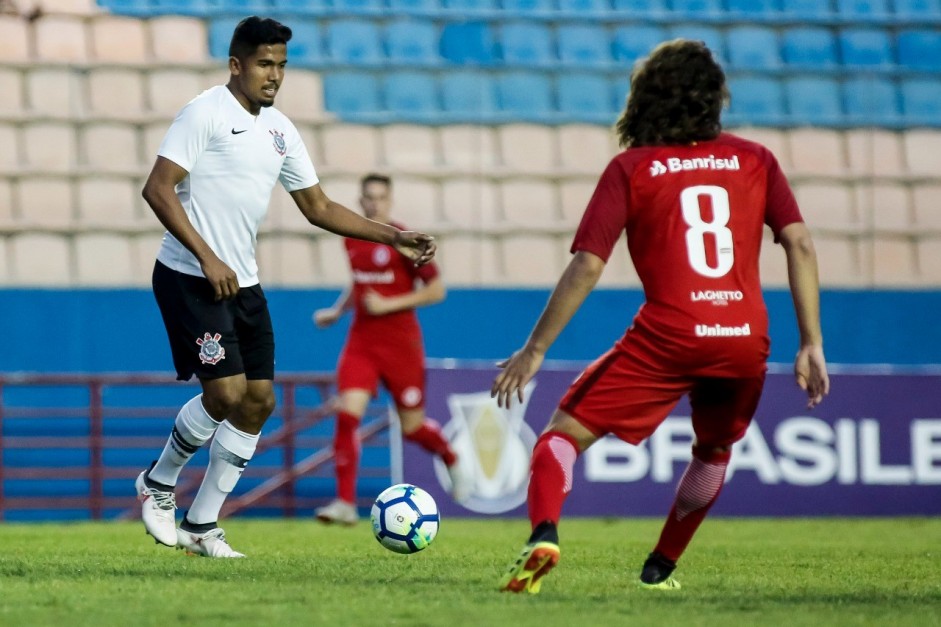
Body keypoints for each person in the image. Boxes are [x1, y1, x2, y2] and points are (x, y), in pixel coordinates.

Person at [491, 39, 830, 593]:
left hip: (670, 334)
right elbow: (800, 244)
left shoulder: (632, 167)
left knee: (561, 434)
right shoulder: (755, 159)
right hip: (745, 338)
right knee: (714, 451)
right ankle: (660, 568)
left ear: (646, 98)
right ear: (713, 99)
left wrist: (534, 350)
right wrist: (811, 341)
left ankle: (544, 534)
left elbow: (586, 266)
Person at [135, 16, 436, 558]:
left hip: (242, 281)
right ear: (237, 65)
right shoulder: (205, 112)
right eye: (264, 64)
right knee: (224, 394)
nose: (274, 76)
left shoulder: (280, 130)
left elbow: (318, 207)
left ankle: (202, 525)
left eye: (281, 66)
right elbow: (157, 189)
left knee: (258, 402)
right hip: (189, 275)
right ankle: (158, 483)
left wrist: (394, 238)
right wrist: (207, 257)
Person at [312, 173, 472, 525]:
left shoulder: (405, 240)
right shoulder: (352, 240)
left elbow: (436, 290)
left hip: (401, 345)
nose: (374, 203)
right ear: (360, 201)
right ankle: (344, 503)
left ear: (390, 201)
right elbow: (360, 283)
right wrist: (338, 312)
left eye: (381, 197)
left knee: (412, 427)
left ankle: (451, 456)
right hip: (362, 342)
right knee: (347, 413)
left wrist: (389, 305)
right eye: (368, 197)